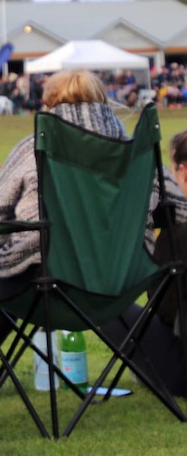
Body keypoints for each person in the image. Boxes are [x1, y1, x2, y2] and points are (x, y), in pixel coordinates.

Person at [0, 70, 187, 408]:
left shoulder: (35, 147)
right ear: (104, 103)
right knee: (6, 269)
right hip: (115, 291)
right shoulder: (135, 155)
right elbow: (180, 212)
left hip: (49, 290)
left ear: (48, 105)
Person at [100, 129, 187, 397]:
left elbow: (161, 300)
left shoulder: (180, 234)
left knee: (106, 308)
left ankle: (147, 367)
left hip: (182, 372)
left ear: (183, 171)